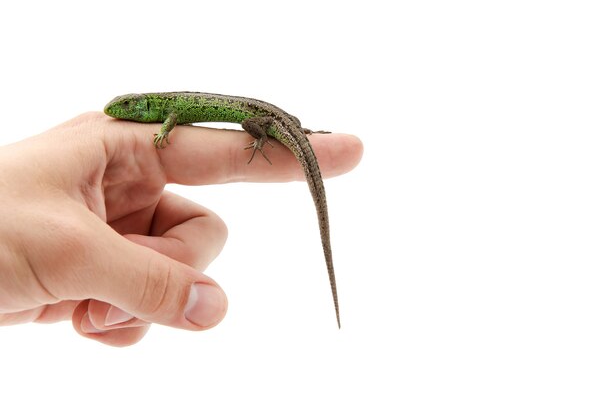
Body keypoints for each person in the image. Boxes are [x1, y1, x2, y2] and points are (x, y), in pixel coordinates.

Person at [0, 112, 363, 347]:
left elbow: (173, 116)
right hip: (275, 119)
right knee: (289, 138)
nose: (117, 112)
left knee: (282, 139)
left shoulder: (165, 110)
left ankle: (294, 134)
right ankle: (297, 133)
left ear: (143, 107)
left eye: (126, 107)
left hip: (267, 119)